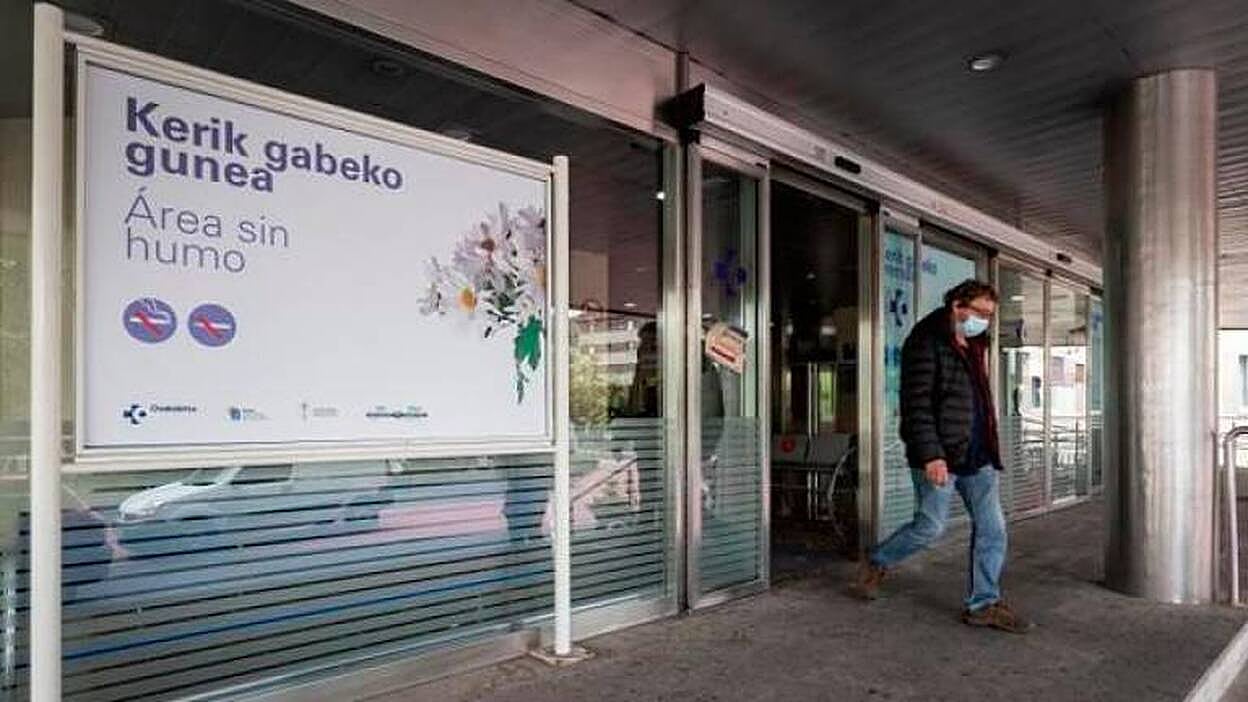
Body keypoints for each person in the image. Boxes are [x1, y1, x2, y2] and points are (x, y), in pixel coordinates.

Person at [850, 279, 1031, 634]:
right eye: (980, 313)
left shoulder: (976, 344)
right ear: (957, 305)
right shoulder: (925, 340)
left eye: (990, 315)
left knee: (993, 528)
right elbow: (916, 406)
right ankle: (877, 559)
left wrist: (991, 447)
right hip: (940, 457)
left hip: (977, 455)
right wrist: (932, 456)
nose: (985, 321)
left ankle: (983, 603)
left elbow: (978, 401)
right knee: (930, 528)